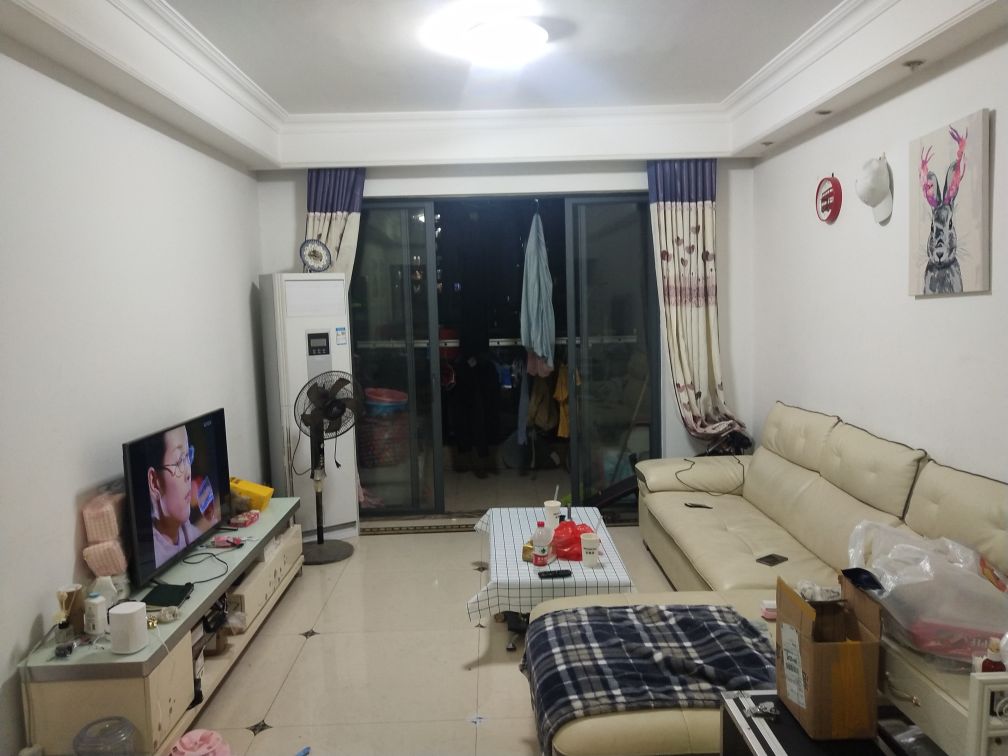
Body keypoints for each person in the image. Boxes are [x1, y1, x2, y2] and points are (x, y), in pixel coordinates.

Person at [146, 424, 217, 566]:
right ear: (154, 482)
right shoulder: (152, 557)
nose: (188, 473)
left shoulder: (186, 530)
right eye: (179, 461)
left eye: (188, 456)